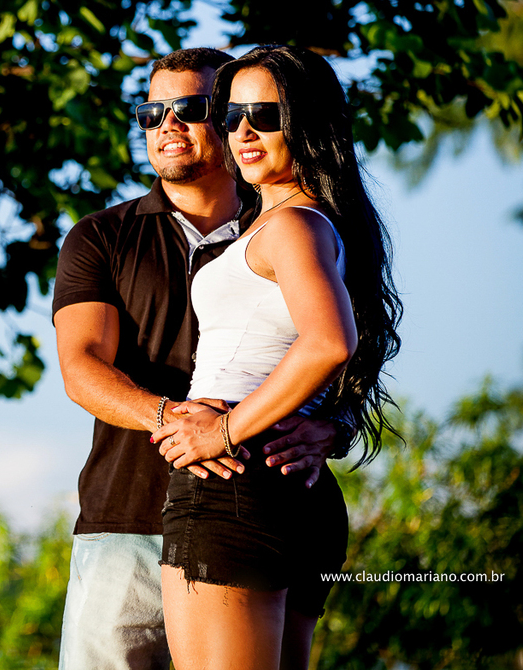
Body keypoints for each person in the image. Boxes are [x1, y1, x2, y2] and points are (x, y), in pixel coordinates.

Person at [52, 47, 346, 670]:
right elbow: (81, 367)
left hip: (258, 497)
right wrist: (175, 420)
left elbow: (342, 345)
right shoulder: (101, 236)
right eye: (151, 112)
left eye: (190, 108)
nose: (167, 124)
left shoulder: (285, 224)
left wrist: (334, 425)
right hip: (128, 521)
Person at [150, 45, 402, 670]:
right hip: (290, 485)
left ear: (308, 123)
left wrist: (222, 432)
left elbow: (330, 342)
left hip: (233, 481)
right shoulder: (313, 224)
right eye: (231, 116)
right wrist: (335, 424)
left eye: (265, 115)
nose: (242, 132)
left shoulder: (292, 226)